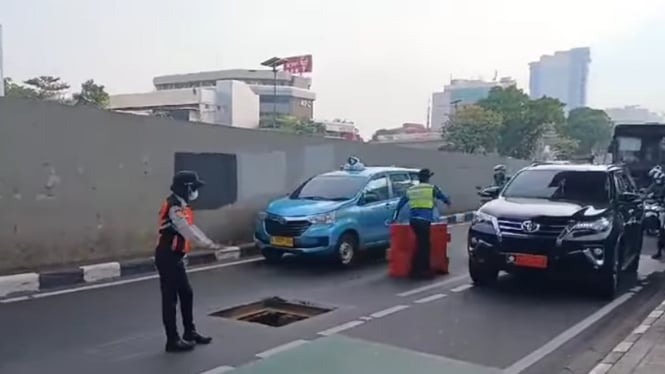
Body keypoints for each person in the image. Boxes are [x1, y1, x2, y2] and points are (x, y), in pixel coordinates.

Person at [155, 170, 218, 352]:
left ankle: (189, 332)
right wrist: (209, 244)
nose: (196, 192)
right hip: (167, 257)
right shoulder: (174, 206)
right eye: (194, 187)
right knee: (170, 299)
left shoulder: (181, 204)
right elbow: (187, 230)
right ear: (186, 188)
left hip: (175, 256)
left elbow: (189, 229)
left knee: (186, 294)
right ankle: (172, 340)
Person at [391, 169, 451, 279]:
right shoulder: (431, 188)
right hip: (424, 220)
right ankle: (423, 271)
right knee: (425, 246)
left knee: (420, 244)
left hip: (413, 221)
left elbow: (400, 205)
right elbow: (443, 197)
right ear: (428, 178)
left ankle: (415, 269)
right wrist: (448, 202)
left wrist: (394, 218)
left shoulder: (411, 189)